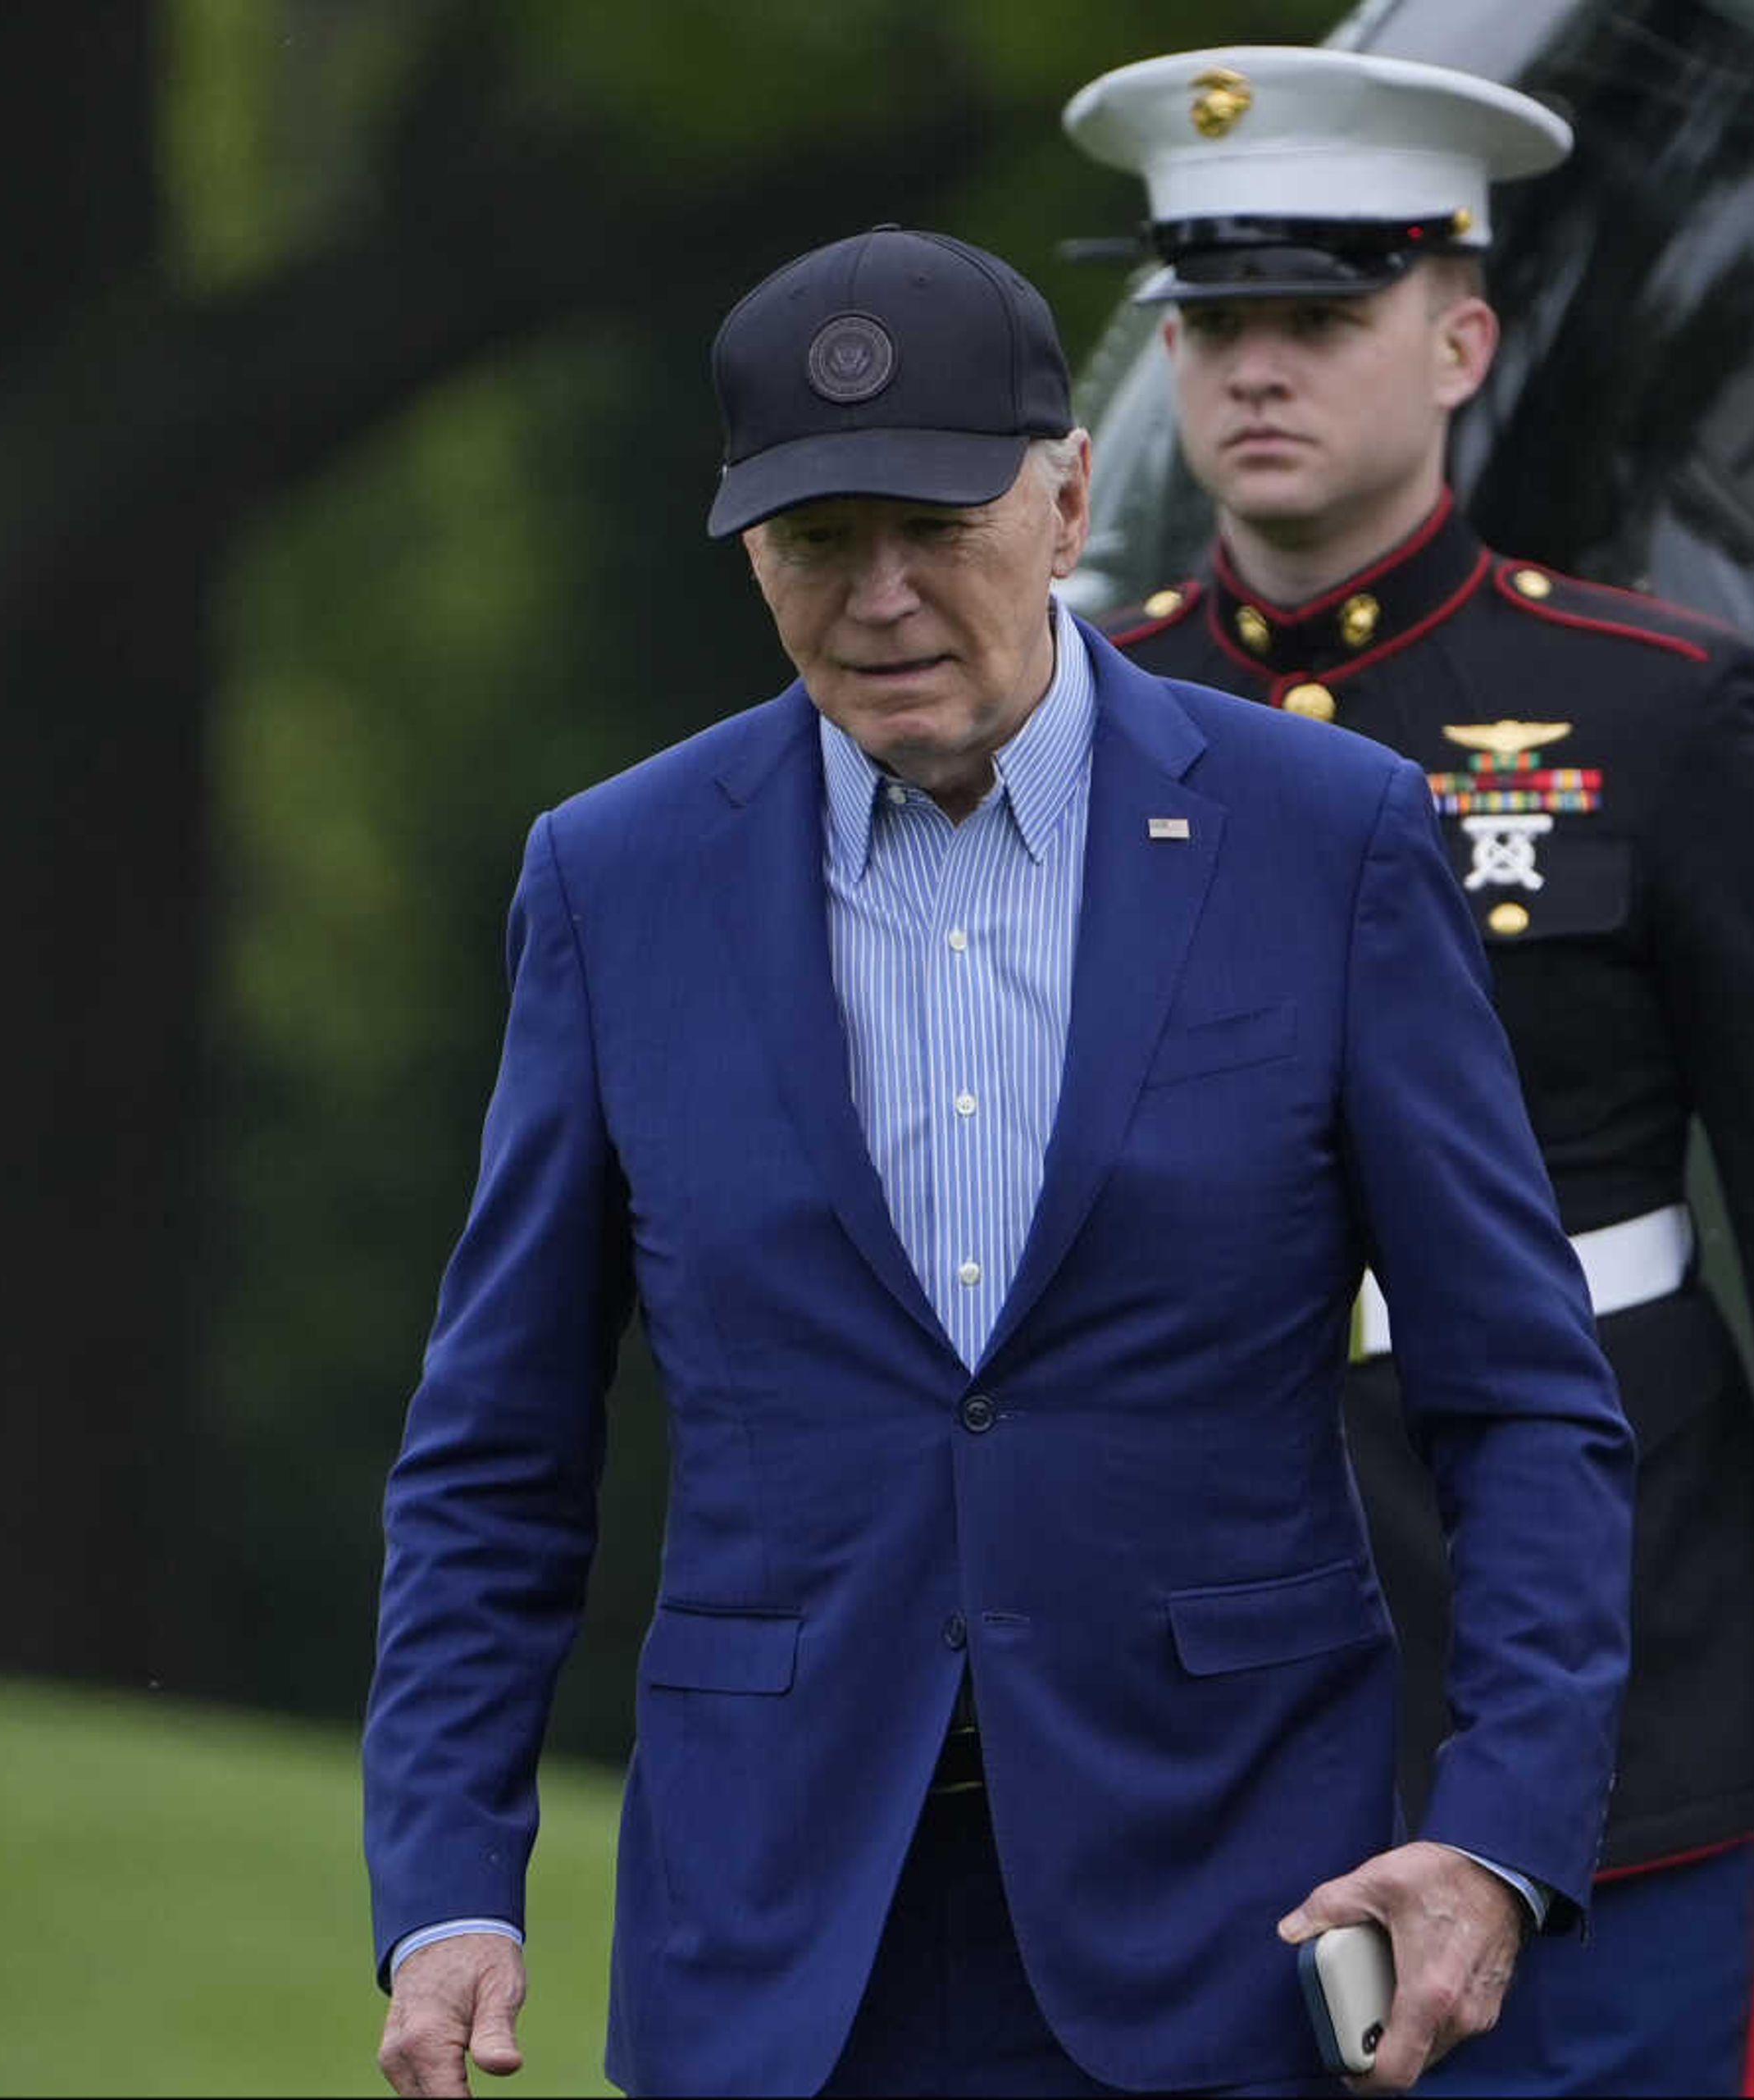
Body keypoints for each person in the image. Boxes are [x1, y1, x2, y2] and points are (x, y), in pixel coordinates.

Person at [360, 225, 1634, 2098]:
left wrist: (1499, 1836)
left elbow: (1524, 1402)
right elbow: (493, 1456)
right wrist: (447, 1891)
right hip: (774, 1947)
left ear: (1068, 498)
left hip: (1228, 1922)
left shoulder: (1327, 839)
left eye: (934, 529)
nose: (877, 598)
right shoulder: (614, 882)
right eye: (814, 542)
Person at [1066, 49, 1754, 2096]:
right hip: (1184, 1649)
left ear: (1462, 335)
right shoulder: (1076, 724)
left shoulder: (1651, 717)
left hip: (1607, 1647)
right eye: (1215, 320)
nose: (1257, 370)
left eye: (1321, 313)